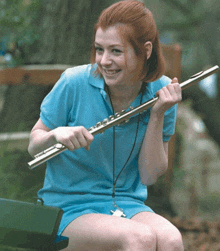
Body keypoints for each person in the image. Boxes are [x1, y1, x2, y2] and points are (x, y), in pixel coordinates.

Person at [28, 0, 184, 250]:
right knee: (138, 239)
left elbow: (149, 175)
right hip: (68, 207)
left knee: (171, 240)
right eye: (100, 49)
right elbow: (34, 146)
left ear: (145, 50)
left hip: (128, 204)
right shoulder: (74, 82)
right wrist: (55, 134)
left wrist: (157, 115)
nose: (104, 61)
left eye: (116, 51)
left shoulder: (162, 91)